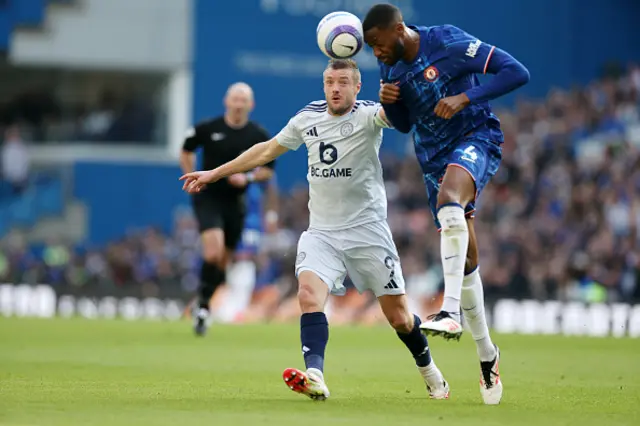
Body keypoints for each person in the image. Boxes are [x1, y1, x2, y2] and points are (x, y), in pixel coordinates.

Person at [180, 59, 450, 401]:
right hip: (322, 232)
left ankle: (430, 370)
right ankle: (315, 375)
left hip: (368, 233)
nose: (335, 88)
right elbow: (266, 151)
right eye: (329, 82)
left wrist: (401, 94)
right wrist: (212, 173)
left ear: (357, 87)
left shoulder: (369, 115)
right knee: (308, 296)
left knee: (398, 317)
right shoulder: (308, 117)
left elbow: (400, 118)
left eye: (342, 82)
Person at [362, 3, 531, 404]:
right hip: (433, 160)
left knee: (449, 201)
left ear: (398, 28)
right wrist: (389, 102)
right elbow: (405, 123)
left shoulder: (447, 42)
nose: (375, 52)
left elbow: (516, 72)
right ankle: (487, 355)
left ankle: (449, 310)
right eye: (369, 47)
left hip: (476, 138)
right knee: (467, 258)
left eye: (376, 42)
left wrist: (465, 98)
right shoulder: (390, 66)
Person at [179, 82, 276, 336]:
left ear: (251, 105)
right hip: (209, 197)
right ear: (227, 101)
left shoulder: (257, 134)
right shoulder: (208, 128)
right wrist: (189, 176)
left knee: (223, 261)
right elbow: (186, 149)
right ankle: (203, 303)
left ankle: (203, 303)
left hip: (236, 202)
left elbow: (268, 170)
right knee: (213, 251)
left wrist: (248, 178)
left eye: (244, 99)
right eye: (235, 98)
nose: (239, 103)